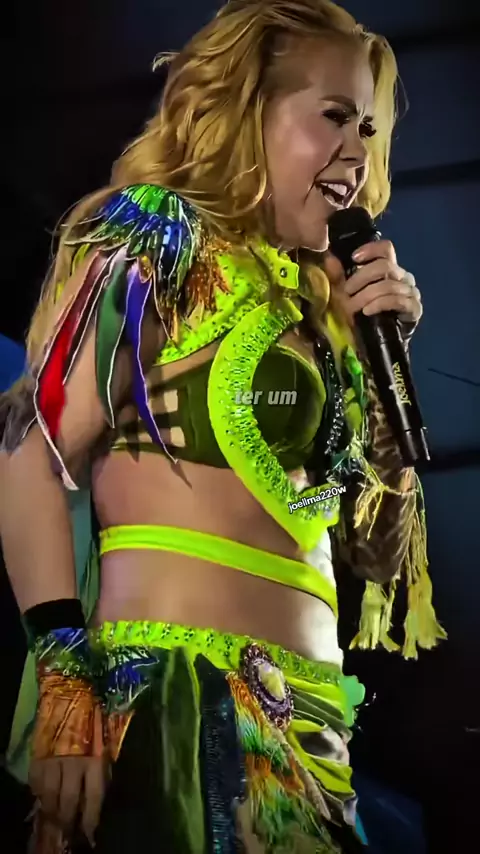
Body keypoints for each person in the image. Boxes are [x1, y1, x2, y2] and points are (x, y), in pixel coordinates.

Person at [0, 1, 446, 851]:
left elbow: (376, 558)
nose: (358, 151)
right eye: (335, 116)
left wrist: (389, 370)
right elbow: (31, 451)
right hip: (169, 700)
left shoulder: (331, 312)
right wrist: (65, 684)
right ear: (249, 109)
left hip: (311, 731)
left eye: (369, 128)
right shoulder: (158, 243)